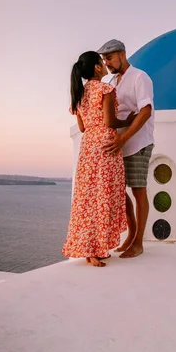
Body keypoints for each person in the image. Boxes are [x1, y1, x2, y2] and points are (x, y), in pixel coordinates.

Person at [62, 51, 134, 267]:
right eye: (102, 63)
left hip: (88, 148)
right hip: (105, 146)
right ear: (96, 68)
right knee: (104, 197)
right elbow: (110, 121)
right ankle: (97, 248)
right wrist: (128, 120)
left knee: (87, 199)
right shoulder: (105, 89)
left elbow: (83, 127)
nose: (104, 65)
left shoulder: (79, 94)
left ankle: (89, 249)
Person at [98, 39, 154, 259]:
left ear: (122, 54)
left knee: (138, 190)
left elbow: (146, 110)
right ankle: (130, 236)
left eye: (109, 58)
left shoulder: (140, 77)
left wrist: (125, 138)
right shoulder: (113, 81)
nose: (107, 63)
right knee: (120, 192)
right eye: (104, 60)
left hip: (138, 142)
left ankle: (138, 243)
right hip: (118, 144)